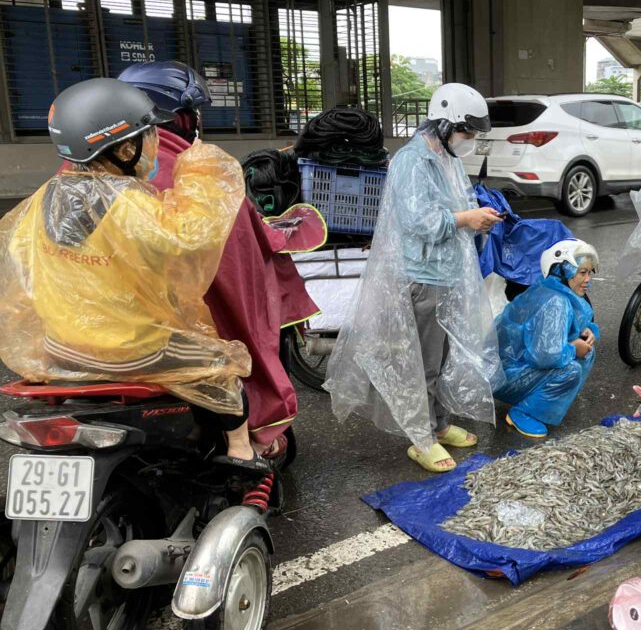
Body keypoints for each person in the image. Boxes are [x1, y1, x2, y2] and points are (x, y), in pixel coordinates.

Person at [0, 77, 267, 471]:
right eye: (149, 135)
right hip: (132, 349)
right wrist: (205, 174)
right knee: (221, 365)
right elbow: (189, 239)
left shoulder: (41, 201)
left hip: (59, 347)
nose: (155, 145)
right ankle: (242, 454)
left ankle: (186, 435)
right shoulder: (125, 201)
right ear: (126, 149)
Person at [117, 61, 320, 461]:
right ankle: (246, 448)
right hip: (165, 324)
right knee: (231, 347)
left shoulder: (73, 177)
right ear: (180, 117)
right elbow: (232, 252)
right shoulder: (198, 168)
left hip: (83, 332)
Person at [325, 83, 504, 473]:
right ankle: (421, 439)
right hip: (422, 275)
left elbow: (458, 204)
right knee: (422, 362)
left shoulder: (447, 158)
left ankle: (438, 426)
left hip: (448, 271)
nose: (469, 139)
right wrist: (466, 219)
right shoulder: (413, 161)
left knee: (441, 355)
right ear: (444, 124)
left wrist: (478, 215)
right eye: (466, 131)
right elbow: (417, 220)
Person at [494, 239, 599, 439]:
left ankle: (543, 399)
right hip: (505, 378)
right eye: (581, 272)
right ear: (562, 271)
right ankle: (524, 412)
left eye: (589, 273)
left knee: (586, 349)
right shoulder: (556, 302)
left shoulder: (551, 290)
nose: (587, 279)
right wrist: (573, 348)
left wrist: (586, 331)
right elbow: (544, 356)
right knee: (571, 369)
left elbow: (559, 329)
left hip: (506, 369)